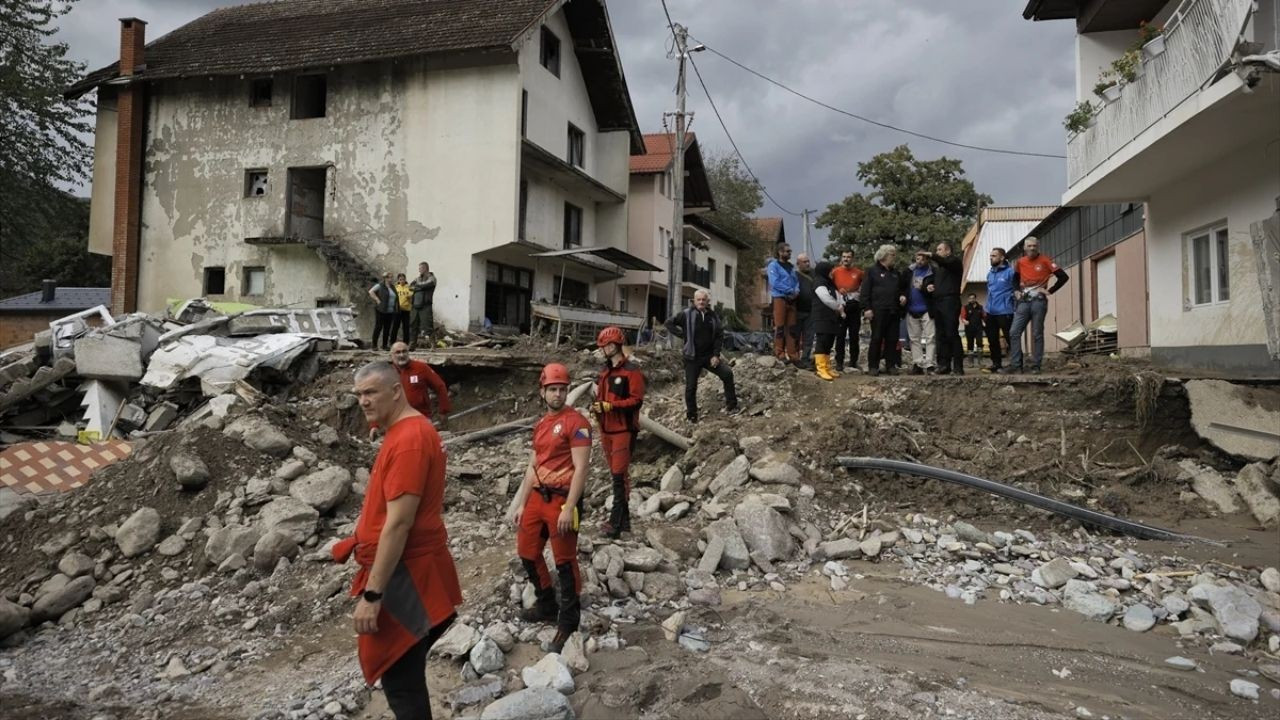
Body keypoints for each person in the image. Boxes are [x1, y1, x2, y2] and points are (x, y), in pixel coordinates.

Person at [332, 361, 462, 719]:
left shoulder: (409, 441)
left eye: (371, 392)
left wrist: (373, 596)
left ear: (396, 390)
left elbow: (398, 524)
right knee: (404, 675)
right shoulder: (403, 433)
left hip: (408, 576)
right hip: (411, 569)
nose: (363, 401)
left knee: (401, 678)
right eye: (358, 394)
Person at [507, 363, 590, 654]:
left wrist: (569, 507)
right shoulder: (541, 424)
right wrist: (520, 503)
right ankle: (546, 604)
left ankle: (568, 623)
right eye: (552, 389)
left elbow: (581, 469)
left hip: (562, 499)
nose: (558, 394)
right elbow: (534, 465)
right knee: (527, 552)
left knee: (565, 561)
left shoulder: (577, 423)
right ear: (542, 391)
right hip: (537, 498)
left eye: (562, 389)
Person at [592, 326, 645, 539]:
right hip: (607, 430)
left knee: (618, 476)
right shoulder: (605, 373)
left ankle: (614, 524)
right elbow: (600, 399)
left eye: (604, 347)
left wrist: (610, 407)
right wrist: (596, 407)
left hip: (623, 430)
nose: (602, 350)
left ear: (613, 346)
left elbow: (636, 401)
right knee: (618, 476)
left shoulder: (631, 371)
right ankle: (624, 525)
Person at [665, 289, 738, 423]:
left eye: (704, 300)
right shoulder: (686, 314)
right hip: (692, 357)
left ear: (707, 301)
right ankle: (692, 416)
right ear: (694, 300)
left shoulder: (713, 316)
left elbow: (719, 336)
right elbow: (669, 323)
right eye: (698, 299)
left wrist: (716, 355)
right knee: (691, 387)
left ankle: (732, 406)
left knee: (727, 374)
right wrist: (683, 335)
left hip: (709, 356)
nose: (701, 302)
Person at [1006, 236, 1069, 374]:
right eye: (1029, 246)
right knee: (1014, 332)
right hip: (1023, 301)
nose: (1032, 248)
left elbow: (1063, 277)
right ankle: (1017, 366)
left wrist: (1049, 291)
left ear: (1038, 247)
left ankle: (1036, 366)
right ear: (1024, 247)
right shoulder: (1020, 262)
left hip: (1039, 302)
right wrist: (1016, 291)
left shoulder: (1045, 260)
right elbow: (1015, 279)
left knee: (1037, 334)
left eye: (1034, 246)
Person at [859, 244, 908, 376]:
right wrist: (866, 308)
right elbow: (865, 291)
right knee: (877, 338)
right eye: (892, 254)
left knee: (892, 339)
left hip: (893, 310)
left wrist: (903, 296)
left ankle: (891, 365)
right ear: (884, 255)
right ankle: (873, 366)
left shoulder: (896, 273)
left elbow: (902, 288)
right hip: (878, 310)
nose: (894, 257)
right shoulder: (871, 271)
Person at [389, 342, 451, 427]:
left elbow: (440, 386)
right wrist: (375, 425)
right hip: (396, 421)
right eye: (398, 352)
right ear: (391, 355)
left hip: (421, 418)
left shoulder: (421, 368)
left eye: (404, 351)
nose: (402, 355)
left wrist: (444, 410)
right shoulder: (387, 373)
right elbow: (378, 398)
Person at [928, 241, 965, 375]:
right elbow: (934, 281)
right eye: (936, 250)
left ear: (948, 251)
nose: (937, 252)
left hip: (950, 301)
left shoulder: (954, 263)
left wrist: (931, 255)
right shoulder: (938, 269)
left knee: (951, 334)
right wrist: (930, 286)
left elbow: (946, 263)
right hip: (938, 301)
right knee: (941, 335)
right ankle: (943, 365)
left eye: (939, 250)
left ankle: (958, 367)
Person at [810, 260, 845, 381]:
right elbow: (826, 298)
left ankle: (827, 367)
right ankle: (820, 368)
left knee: (829, 342)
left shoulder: (830, 283)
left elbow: (838, 296)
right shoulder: (819, 282)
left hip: (832, 318)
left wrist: (841, 305)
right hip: (822, 317)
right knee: (822, 342)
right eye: (831, 270)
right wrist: (838, 307)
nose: (832, 273)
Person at [765, 242, 800, 364]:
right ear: (780, 252)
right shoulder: (773, 266)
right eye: (787, 251)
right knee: (780, 327)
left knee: (791, 328)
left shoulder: (791, 267)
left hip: (792, 300)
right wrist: (790, 290)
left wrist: (796, 290)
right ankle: (780, 353)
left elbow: (796, 281)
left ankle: (793, 355)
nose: (789, 253)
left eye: (790, 251)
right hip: (780, 298)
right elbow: (775, 282)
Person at [904, 249, 937, 375]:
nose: (920, 261)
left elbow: (937, 287)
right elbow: (902, 286)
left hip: (927, 309)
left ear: (927, 260)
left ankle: (929, 364)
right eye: (918, 258)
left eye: (923, 259)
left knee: (930, 337)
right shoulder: (909, 271)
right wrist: (902, 296)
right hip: (911, 308)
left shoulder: (933, 272)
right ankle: (917, 363)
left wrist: (926, 288)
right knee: (914, 339)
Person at [831, 250, 865, 373]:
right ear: (841, 258)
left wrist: (858, 294)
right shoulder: (835, 271)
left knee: (854, 335)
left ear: (853, 258)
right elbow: (830, 285)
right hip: (840, 306)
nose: (846, 259)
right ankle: (839, 361)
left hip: (854, 306)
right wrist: (837, 291)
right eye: (844, 257)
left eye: (849, 257)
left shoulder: (859, 273)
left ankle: (853, 361)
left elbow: (865, 285)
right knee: (840, 335)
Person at [984, 248, 1016, 373]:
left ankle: (1017, 363)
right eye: (990, 255)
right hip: (991, 312)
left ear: (1002, 257)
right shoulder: (990, 273)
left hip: (1005, 311)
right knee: (992, 340)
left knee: (1010, 338)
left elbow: (1017, 289)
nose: (991, 257)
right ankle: (996, 364)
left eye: (994, 255)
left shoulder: (1010, 272)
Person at [794, 253, 815, 369]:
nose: (807, 264)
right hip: (797, 311)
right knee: (796, 336)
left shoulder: (813, 274)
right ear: (798, 264)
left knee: (809, 337)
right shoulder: (794, 275)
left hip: (811, 311)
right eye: (804, 262)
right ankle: (796, 359)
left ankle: (805, 359)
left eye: (808, 261)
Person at [409, 262, 437, 348]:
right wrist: (419, 287)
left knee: (428, 326)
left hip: (426, 305)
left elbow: (427, 284)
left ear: (425, 268)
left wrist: (417, 287)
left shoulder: (432, 278)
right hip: (415, 305)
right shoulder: (417, 278)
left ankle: (433, 344)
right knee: (413, 325)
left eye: (420, 268)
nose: (419, 270)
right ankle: (412, 345)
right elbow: (410, 286)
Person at [368, 273, 398, 351]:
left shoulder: (392, 287)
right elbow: (371, 292)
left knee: (387, 328)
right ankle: (374, 345)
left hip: (390, 311)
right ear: (385, 278)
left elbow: (395, 297)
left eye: (392, 277)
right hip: (381, 309)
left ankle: (384, 345)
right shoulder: (380, 285)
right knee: (378, 327)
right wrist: (377, 300)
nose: (391, 279)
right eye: (390, 277)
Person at [961, 292, 986, 367]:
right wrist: (964, 321)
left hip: (978, 328)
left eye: (973, 298)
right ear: (968, 299)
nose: (972, 299)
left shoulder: (980, 307)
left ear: (975, 299)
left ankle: (980, 361)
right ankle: (970, 362)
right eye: (970, 298)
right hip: (969, 328)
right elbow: (962, 317)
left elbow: (984, 316)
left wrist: (984, 322)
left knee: (979, 343)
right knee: (970, 344)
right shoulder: (965, 307)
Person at [391, 273, 413, 345]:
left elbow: (412, 294)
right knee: (395, 327)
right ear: (398, 280)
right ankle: (392, 343)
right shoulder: (396, 287)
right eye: (400, 279)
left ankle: (406, 344)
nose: (402, 281)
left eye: (403, 279)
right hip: (397, 310)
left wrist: (409, 295)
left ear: (405, 279)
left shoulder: (409, 287)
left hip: (406, 310)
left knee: (406, 327)